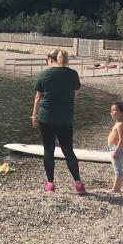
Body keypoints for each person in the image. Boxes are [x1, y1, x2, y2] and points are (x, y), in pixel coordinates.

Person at [31, 48, 85, 193]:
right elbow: (75, 93)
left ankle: (50, 184)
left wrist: (34, 115)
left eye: (47, 60)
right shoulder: (72, 74)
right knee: (68, 150)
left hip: (46, 117)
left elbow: (38, 97)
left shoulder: (44, 74)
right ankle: (78, 183)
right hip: (66, 118)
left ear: (51, 59)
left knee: (49, 150)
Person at [107, 101, 123, 193]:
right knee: (116, 168)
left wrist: (116, 151)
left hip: (116, 149)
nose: (112, 112)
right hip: (113, 148)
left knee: (118, 170)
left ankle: (116, 188)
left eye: (114, 110)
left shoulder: (120, 124)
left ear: (122, 112)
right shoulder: (118, 123)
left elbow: (122, 139)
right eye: (111, 110)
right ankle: (116, 186)